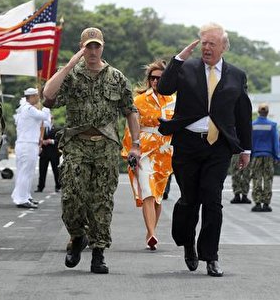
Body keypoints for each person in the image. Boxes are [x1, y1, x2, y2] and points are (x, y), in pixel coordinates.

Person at [157, 22, 252, 277]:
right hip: (188, 144)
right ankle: (188, 242)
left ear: (224, 47)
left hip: (218, 146)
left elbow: (243, 114)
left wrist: (246, 149)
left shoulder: (236, 75)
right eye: (204, 43)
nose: (207, 48)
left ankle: (211, 256)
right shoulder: (186, 67)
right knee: (190, 200)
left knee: (212, 199)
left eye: (212, 43)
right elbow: (164, 89)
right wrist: (177, 60)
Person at [43, 27, 140, 274]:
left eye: (97, 46)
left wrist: (136, 146)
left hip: (106, 144)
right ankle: (77, 237)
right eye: (88, 47)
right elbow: (48, 95)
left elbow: (130, 111)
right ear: (82, 47)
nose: (93, 51)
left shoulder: (116, 77)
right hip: (76, 143)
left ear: (103, 47)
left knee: (101, 201)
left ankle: (98, 253)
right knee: (71, 199)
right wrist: (70, 64)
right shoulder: (72, 75)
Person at [121, 60, 175, 251]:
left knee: (158, 195)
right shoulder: (139, 100)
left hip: (166, 152)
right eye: (152, 78)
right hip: (144, 150)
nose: (155, 81)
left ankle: (151, 230)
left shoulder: (175, 100)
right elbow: (131, 127)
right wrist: (131, 151)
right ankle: (152, 233)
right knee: (148, 191)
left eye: (160, 78)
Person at [11, 87, 47, 209]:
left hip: (26, 143)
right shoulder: (29, 109)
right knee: (25, 173)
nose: (38, 98)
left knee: (27, 172)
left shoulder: (24, 109)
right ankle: (21, 199)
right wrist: (46, 105)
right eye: (36, 96)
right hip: (27, 144)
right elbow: (45, 116)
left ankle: (25, 196)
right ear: (31, 97)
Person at [250, 103, 279, 212]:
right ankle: (266, 204)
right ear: (267, 112)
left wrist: (250, 155)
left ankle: (257, 203)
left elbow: (250, 141)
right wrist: (277, 156)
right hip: (269, 156)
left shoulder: (252, 125)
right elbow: (275, 142)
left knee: (256, 178)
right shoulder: (272, 125)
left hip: (256, 156)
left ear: (258, 112)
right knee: (268, 179)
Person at [36, 109, 62, 193]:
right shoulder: (41, 129)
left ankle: (58, 186)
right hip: (44, 153)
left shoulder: (57, 129)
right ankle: (40, 187)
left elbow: (60, 141)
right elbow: (37, 139)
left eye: (51, 118)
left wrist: (51, 141)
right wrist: (42, 142)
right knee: (42, 171)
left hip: (54, 153)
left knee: (56, 171)